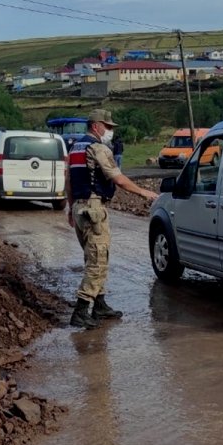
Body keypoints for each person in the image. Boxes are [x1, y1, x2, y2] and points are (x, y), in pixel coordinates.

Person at [65, 109, 159, 329]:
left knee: (94, 257)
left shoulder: (75, 147)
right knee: (97, 261)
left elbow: (69, 180)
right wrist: (145, 193)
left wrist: (70, 208)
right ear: (96, 126)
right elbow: (119, 179)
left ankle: (100, 304)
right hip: (94, 208)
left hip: (80, 207)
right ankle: (81, 311)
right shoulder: (98, 148)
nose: (110, 131)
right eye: (108, 127)